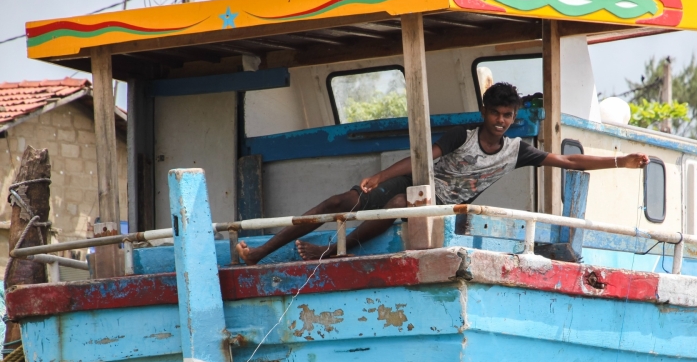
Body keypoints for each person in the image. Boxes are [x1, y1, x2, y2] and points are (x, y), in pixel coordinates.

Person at [236, 82, 649, 264]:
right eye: (495, 113)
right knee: (340, 203)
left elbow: (570, 161)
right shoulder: (462, 136)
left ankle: (330, 252)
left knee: (402, 207)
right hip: (415, 185)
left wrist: (620, 163)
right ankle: (260, 252)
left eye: (508, 115)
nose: (501, 121)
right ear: (484, 112)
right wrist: (379, 178)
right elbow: (423, 162)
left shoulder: (515, 151)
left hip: (441, 206)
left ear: (514, 117)